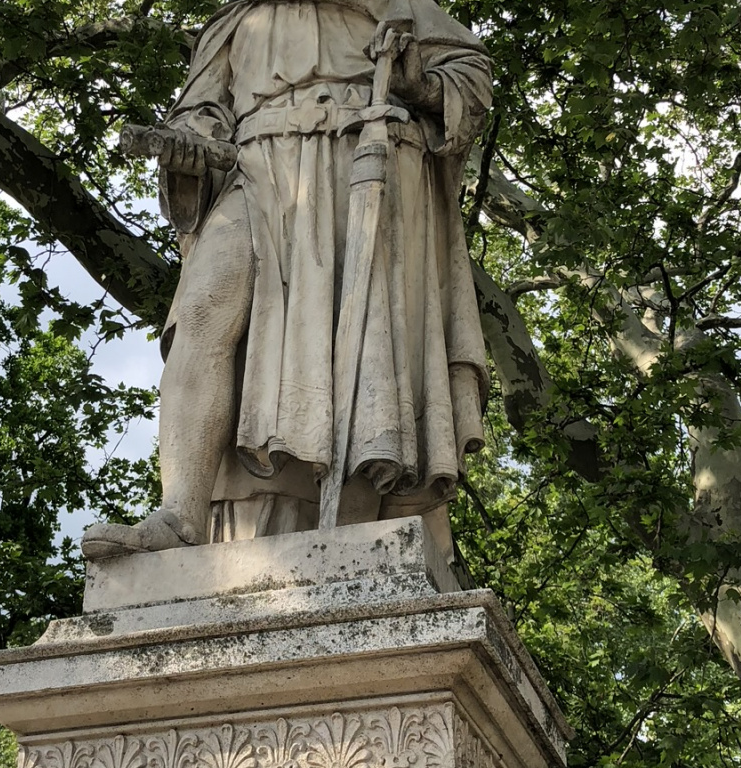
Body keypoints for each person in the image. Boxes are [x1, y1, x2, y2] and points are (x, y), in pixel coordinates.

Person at [81, 0, 492, 560]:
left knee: (363, 346)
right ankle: (180, 513)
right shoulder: (234, 22)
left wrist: (412, 80)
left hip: (365, 162)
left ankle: (351, 526)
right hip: (256, 169)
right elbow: (200, 111)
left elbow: (469, 80)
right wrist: (188, 146)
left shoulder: (398, 4)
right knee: (201, 311)